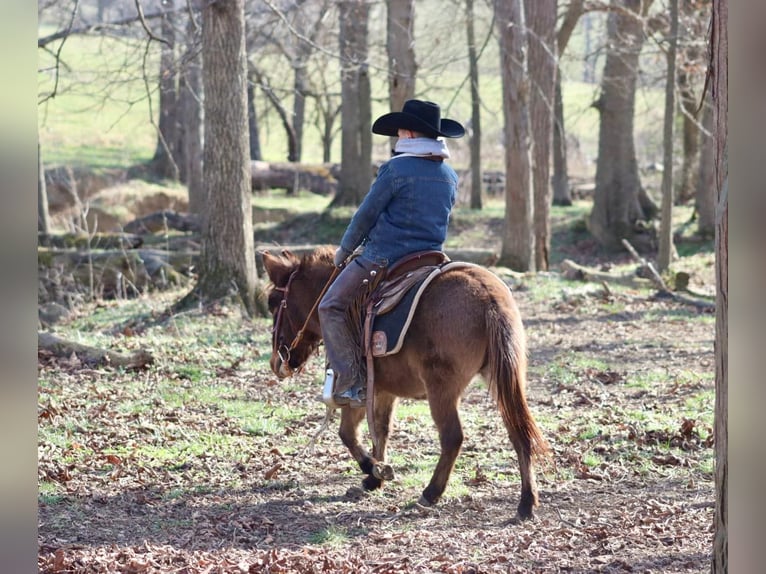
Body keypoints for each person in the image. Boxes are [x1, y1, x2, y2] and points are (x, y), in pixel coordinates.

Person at [318, 99, 465, 408]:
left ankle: (349, 384)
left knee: (330, 306)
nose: (398, 134)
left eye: (401, 129)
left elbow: (365, 215)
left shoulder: (395, 169)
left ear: (410, 133)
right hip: (432, 258)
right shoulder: (449, 176)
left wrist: (344, 251)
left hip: (384, 257)